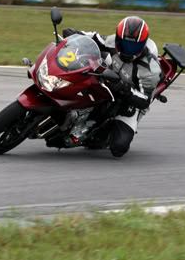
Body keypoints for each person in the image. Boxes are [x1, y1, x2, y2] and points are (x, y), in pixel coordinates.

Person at [63, 16, 163, 157]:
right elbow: (95, 38)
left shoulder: (149, 70)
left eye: (133, 46)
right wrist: (76, 34)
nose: (127, 50)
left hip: (130, 100)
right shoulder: (112, 42)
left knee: (119, 148)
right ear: (118, 38)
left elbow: (145, 100)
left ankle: (103, 133)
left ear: (142, 44)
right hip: (108, 80)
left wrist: (124, 89)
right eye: (123, 43)